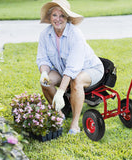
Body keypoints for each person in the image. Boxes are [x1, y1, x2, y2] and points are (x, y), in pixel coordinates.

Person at [37, 0, 104, 135]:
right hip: (64, 70)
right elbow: (43, 59)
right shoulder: (45, 35)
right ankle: (59, 115)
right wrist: (44, 73)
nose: (58, 19)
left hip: (90, 69)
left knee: (77, 81)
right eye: (54, 15)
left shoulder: (75, 34)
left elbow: (73, 68)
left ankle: (74, 124)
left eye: (62, 15)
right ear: (50, 17)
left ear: (67, 18)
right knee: (45, 82)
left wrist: (61, 91)